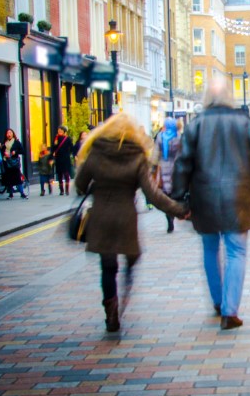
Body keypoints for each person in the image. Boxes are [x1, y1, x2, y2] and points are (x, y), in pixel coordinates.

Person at [74, 113, 188, 333]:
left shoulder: (96, 152)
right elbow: (153, 194)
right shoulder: (136, 156)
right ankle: (125, 286)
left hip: (101, 216)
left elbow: (80, 184)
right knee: (131, 256)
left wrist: (95, 185)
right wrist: (179, 210)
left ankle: (111, 311)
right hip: (125, 217)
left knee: (107, 267)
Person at [172, 77, 250, 330]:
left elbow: (183, 164)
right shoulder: (245, 123)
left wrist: (179, 197)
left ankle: (218, 301)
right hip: (240, 197)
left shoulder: (196, 126)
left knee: (209, 248)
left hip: (204, 198)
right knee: (236, 251)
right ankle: (230, 311)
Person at [150, 117, 183, 233]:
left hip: (163, 167)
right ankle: (173, 213)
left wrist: (152, 167)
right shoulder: (179, 136)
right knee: (174, 193)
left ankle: (169, 216)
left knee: (166, 194)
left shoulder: (160, 136)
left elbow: (155, 153)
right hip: (176, 168)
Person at [1, 129, 28, 199]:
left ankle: (22, 193)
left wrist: (15, 152)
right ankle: (10, 194)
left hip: (14, 162)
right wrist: (4, 154)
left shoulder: (16, 142)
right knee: (9, 178)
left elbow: (22, 151)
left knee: (17, 177)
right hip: (7, 162)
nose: (9, 134)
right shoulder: (4, 143)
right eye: (7, 133)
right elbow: (1, 151)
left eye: (10, 132)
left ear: (13, 134)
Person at [52, 126, 74, 196]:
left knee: (66, 174)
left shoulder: (67, 139)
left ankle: (67, 190)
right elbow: (53, 148)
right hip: (58, 159)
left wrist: (69, 153)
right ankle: (61, 190)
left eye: (61, 131)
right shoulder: (56, 139)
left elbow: (71, 147)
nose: (59, 132)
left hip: (65, 159)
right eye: (58, 131)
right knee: (60, 175)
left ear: (64, 131)